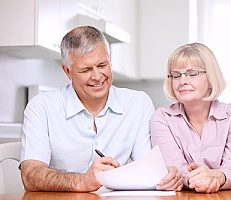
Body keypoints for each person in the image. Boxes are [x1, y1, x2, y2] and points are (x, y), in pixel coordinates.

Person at [20, 26, 183, 192]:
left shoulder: (138, 103)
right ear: (67, 71)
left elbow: (148, 170)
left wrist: (166, 176)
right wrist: (81, 181)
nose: (97, 76)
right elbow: (30, 175)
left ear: (110, 61)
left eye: (102, 65)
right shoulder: (41, 107)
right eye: (86, 69)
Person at [150, 42, 231, 193]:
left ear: (211, 77)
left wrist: (217, 177)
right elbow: (175, 169)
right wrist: (199, 180)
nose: (182, 81)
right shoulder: (162, 118)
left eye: (192, 73)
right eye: (176, 75)